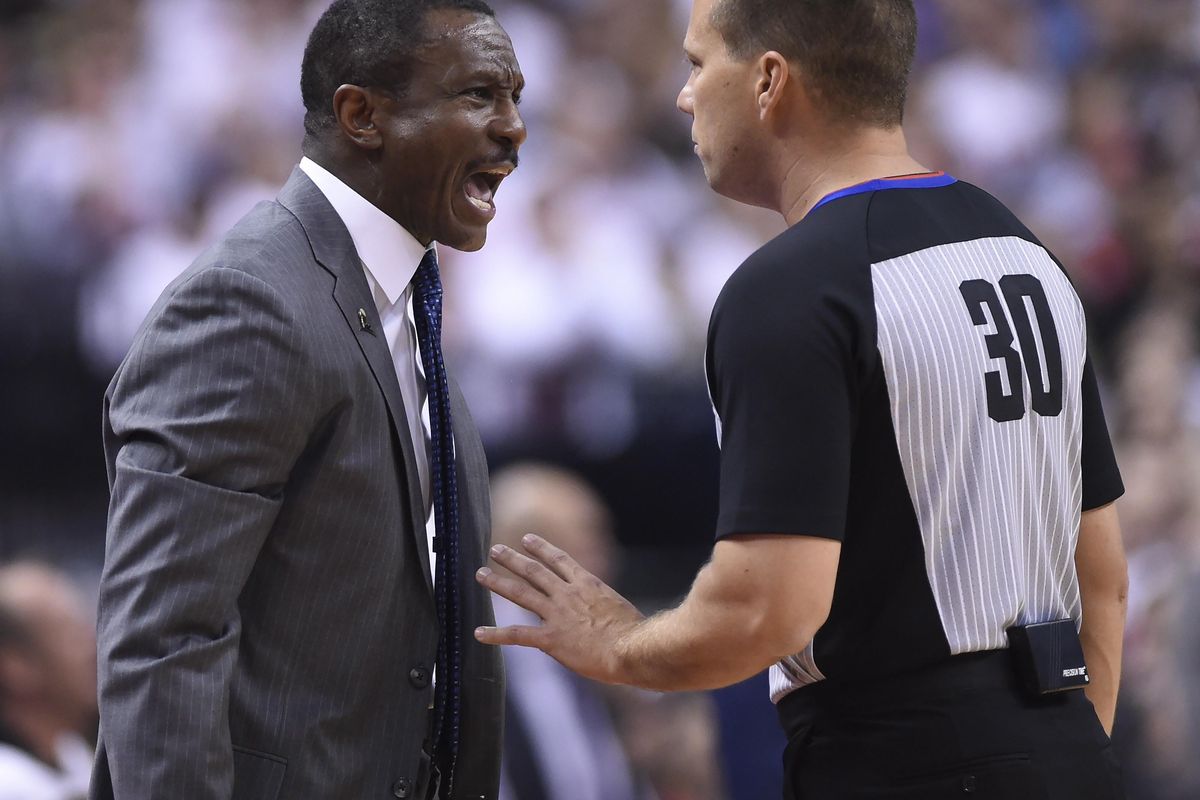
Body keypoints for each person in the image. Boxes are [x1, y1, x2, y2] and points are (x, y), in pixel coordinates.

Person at [475, 1, 1128, 798]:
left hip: (901, 759)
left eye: (697, 64)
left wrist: (618, 642)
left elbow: (767, 610)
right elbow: (1103, 578)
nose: (683, 96)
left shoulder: (789, 289)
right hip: (1071, 749)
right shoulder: (1025, 251)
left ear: (769, 81)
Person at [90, 1, 525, 798]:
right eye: (478, 96)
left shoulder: (407, 299)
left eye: (516, 99)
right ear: (362, 114)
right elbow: (162, 637)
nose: (513, 128)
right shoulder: (249, 301)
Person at [488, 463, 650, 800]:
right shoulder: (473, 658)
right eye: (592, 537)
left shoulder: (604, 646)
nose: (610, 556)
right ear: (529, 555)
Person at [0, 561, 97, 800]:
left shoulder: (73, 754)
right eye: (71, 634)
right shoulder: (8, 783)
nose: (92, 649)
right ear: (17, 666)